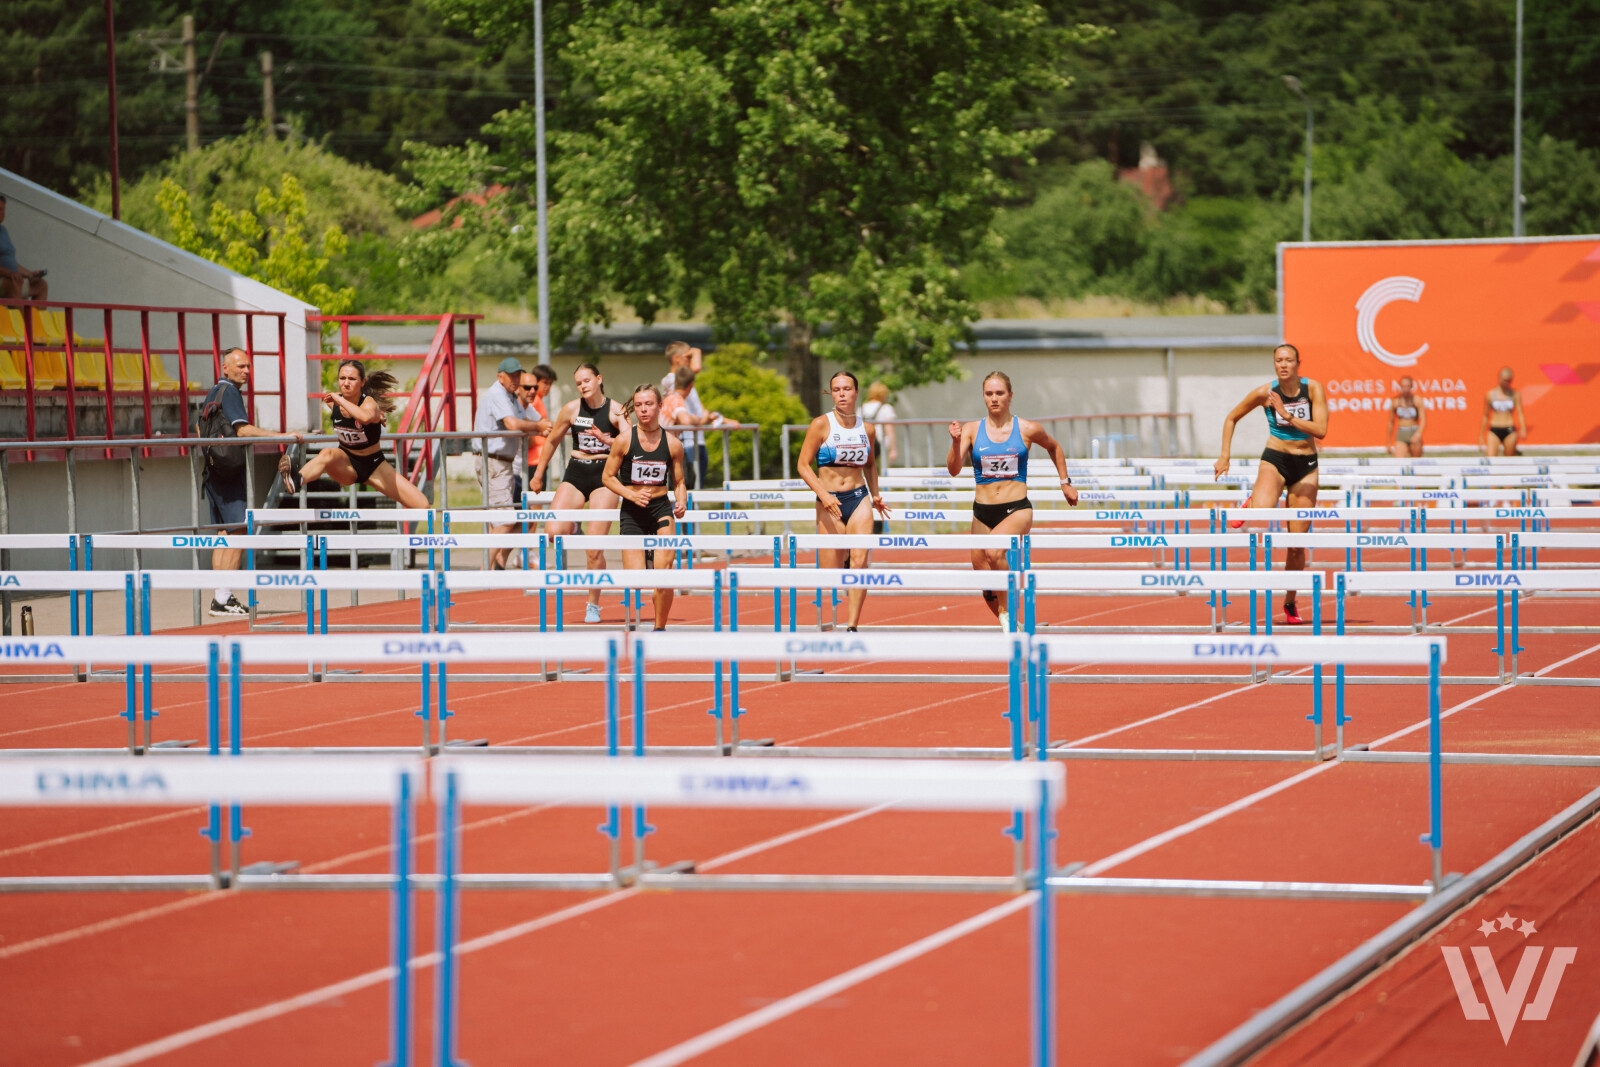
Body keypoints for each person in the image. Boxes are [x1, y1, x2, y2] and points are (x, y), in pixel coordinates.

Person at [946, 372, 1077, 630]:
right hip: (982, 511)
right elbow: (953, 469)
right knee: (985, 580)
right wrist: (956, 441)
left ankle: (1007, 612)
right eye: (989, 394)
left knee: (995, 553)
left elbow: (1054, 446)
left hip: (1016, 508)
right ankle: (1015, 628)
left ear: (1010, 395)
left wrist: (1065, 482)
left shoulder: (1027, 428)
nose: (994, 399)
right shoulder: (971, 430)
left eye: (999, 393)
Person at [1214, 343, 1328, 625]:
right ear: (1274, 364)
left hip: (1306, 465)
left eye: (1289, 360)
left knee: (1296, 544)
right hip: (1276, 458)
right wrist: (1225, 455)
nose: (1284, 364)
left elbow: (1322, 431)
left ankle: (1290, 601)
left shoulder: (1312, 389)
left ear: (1298, 363)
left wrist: (1288, 415)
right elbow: (1231, 418)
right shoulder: (1265, 392)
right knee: (1262, 513)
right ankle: (1254, 500)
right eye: (1279, 360)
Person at [532, 363, 629, 622]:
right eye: (578, 383)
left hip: (604, 476)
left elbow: (633, 443)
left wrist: (611, 442)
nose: (583, 386)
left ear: (599, 378)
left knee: (594, 549)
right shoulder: (572, 409)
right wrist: (539, 474)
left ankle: (593, 604)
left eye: (587, 380)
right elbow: (552, 439)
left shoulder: (617, 411)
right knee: (552, 533)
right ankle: (573, 526)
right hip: (576, 471)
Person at [796, 371, 891, 632]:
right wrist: (824, 496)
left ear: (856, 393)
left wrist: (876, 494)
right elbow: (803, 465)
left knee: (861, 562)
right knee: (832, 569)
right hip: (829, 501)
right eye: (836, 389)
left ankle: (852, 626)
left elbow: (870, 465)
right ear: (831, 394)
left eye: (847, 389)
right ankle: (845, 560)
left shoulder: (867, 429)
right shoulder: (821, 425)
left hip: (858, 497)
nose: (842, 394)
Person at [279, 359, 430, 508]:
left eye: (352, 379)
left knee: (422, 506)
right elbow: (348, 416)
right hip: (347, 464)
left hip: (374, 465)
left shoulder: (368, 403)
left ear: (362, 382)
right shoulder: (332, 402)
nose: (346, 383)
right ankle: (296, 480)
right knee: (327, 453)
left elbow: (364, 417)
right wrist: (339, 401)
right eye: (342, 378)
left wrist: (341, 400)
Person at [198, 348, 278, 617]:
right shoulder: (230, 392)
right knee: (239, 531)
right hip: (228, 472)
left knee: (223, 534)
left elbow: (199, 428)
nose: (246, 371)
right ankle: (223, 598)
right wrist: (282, 435)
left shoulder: (213, 392)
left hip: (212, 471)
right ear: (225, 368)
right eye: (240, 366)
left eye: (248, 366)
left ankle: (219, 596)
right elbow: (243, 429)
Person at [601, 385, 689, 630]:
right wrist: (631, 494)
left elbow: (679, 481)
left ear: (660, 406)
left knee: (664, 575)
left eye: (648, 404)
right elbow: (607, 477)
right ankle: (647, 562)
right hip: (633, 511)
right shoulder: (624, 440)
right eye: (638, 405)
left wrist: (681, 501)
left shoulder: (672, 444)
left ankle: (659, 628)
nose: (643, 410)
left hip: (660, 508)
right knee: (637, 579)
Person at [473, 358, 548, 570]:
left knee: (517, 519)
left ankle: (495, 565)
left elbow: (536, 420)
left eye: (518, 376)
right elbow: (514, 424)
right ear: (500, 377)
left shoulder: (511, 396)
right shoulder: (498, 394)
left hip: (504, 464)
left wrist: (545, 426)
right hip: (495, 462)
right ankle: (485, 571)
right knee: (507, 521)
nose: (517, 380)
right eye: (513, 376)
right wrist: (539, 427)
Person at [660, 343, 719, 490]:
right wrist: (697, 351)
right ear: (676, 359)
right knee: (685, 484)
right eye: (688, 357)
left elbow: (699, 407)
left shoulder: (686, 385)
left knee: (694, 482)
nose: (691, 361)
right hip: (685, 441)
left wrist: (706, 416)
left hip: (694, 438)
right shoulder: (673, 380)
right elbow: (686, 419)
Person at [0, 195, 48, 302]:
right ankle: (21, 319)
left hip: (12, 277)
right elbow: (10, 272)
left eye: (3, 209)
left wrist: (30, 274)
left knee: (41, 285)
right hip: (5, 279)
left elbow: (11, 262)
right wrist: (10, 274)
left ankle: (34, 318)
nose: (1, 213)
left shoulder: (3, 231)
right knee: (15, 283)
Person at [521, 365, 557, 495]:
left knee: (536, 499)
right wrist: (531, 441)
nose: (547, 387)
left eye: (550, 383)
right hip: (533, 458)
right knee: (536, 500)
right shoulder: (533, 400)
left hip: (539, 457)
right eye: (544, 383)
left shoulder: (538, 400)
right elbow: (524, 421)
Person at [1481, 366, 1527, 457]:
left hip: (1509, 429)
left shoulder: (1515, 394)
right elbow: (1485, 415)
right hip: (1494, 428)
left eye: (1509, 380)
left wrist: (1523, 428)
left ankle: (1513, 451)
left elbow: (1520, 413)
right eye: (1504, 380)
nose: (1506, 383)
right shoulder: (1490, 394)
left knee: (1508, 463)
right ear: (1499, 378)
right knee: (1490, 460)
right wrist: (1481, 436)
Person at [1388, 376, 1426, 458]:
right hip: (1401, 432)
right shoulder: (1395, 402)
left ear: (1411, 386)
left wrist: (1418, 434)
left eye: (1407, 386)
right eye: (1403, 386)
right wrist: (1388, 442)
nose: (1405, 388)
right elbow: (1391, 422)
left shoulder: (1417, 400)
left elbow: (1423, 419)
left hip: (1413, 431)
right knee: (1399, 463)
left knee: (1416, 463)